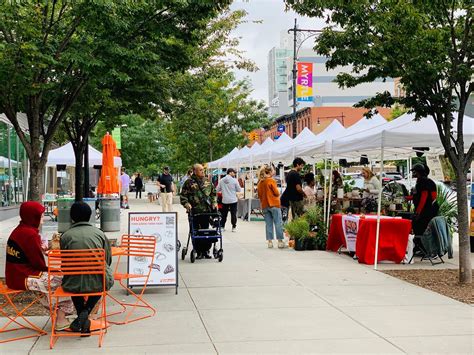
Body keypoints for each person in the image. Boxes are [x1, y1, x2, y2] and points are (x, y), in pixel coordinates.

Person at [5, 201, 74, 331]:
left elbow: (29, 256)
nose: (43, 218)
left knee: (58, 278)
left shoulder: (21, 230)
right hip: (22, 277)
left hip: (15, 275)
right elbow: (39, 264)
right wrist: (54, 269)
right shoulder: (30, 234)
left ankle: (57, 314)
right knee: (66, 281)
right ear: (33, 217)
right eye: (40, 216)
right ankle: (60, 318)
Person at [60, 202, 114, 334]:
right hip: (97, 281)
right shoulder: (99, 234)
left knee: (74, 283)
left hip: (72, 283)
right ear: (90, 216)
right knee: (102, 281)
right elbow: (108, 260)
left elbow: (65, 262)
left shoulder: (65, 236)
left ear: (72, 217)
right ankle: (86, 312)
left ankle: (81, 317)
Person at [180, 164, 217, 259]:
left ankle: (206, 251)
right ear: (195, 171)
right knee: (195, 232)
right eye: (200, 170)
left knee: (205, 232)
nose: (203, 171)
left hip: (206, 212)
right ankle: (197, 250)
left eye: (203, 170)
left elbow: (213, 194)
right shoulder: (188, 182)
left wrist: (214, 202)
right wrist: (186, 204)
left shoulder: (208, 181)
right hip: (194, 212)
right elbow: (183, 196)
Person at [257, 165, 285, 248]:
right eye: (273, 170)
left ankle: (270, 242)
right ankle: (280, 241)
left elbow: (259, 195)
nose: (274, 171)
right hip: (274, 204)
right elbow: (276, 193)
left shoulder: (260, 183)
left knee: (268, 224)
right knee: (278, 223)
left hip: (265, 205)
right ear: (269, 172)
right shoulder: (271, 181)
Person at [407, 163, 438, 235]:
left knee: (420, 230)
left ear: (418, 172)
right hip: (427, 210)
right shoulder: (426, 181)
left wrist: (418, 212)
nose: (413, 173)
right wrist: (408, 198)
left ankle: (420, 244)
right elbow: (419, 195)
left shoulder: (423, 181)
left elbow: (424, 197)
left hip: (424, 212)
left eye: (414, 171)